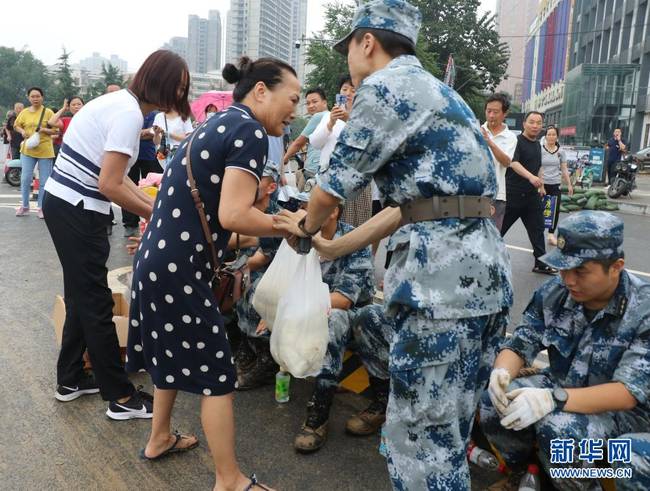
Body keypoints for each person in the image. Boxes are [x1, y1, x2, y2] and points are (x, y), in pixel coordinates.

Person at [273, 1, 512, 489]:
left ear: (367, 41)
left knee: (419, 446)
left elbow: (330, 185)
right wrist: (335, 249)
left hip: (439, 292)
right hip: (482, 282)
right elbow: (413, 206)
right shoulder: (443, 94)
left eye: (349, 49)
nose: (348, 63)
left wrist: (304, 226)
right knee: (448, 437)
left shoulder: (382, 88)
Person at [126, 56, 299, 491]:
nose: (295, 110)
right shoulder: (249, 130)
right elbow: (235, 213)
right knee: (217, 375)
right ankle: (230, 480)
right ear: (261, 91)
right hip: (179, 267)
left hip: (157, 260)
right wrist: (286, 224)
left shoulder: (214, 125)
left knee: (169, 354)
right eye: (292, 98)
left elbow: (216, 220)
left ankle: (159, 437)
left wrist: (259, 233)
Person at [41, 50, 190, 421]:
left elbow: (119, 178)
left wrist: (156, 211)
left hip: (66, 204)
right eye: (180, 87)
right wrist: (160, 216)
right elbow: (111, 184)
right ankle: (121, 396)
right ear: (163, 83)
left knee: (81, 293)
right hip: (78, 209)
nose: (182, 95)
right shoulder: (129, 114)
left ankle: (71, 378)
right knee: (95, 300)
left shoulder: (121, 104)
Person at [480, 211, 650, 491]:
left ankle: (579, 486)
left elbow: (627, 393)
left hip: (623, 414)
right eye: (563, 268)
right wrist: (501, 374)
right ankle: (523, 472)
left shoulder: (643, 309)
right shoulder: (557, 292)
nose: (569, 280)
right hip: (561, 386)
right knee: (493, 400)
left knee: (560, 431)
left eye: (581, 271)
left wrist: (552, 400)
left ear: (616, 266)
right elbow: (522, 341)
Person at [292, 203, 376, 453]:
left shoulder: (353, 242)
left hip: (351, 322)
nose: (308, 212)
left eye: (314, 207)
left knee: (336, 317)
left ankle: (319, 413)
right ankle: (262, 361)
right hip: (311, 311)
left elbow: (343, 299)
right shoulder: (303, 239)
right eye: (306, 206)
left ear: (334, 212)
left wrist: (294, 304)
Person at [234, 137, 286, 390]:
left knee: (253, 287)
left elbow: (266, 255)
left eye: (258, 180)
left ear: (271, 187)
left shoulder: (277, 213)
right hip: (253, 264)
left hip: (278, 272)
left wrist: (240, 270)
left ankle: (266, 359)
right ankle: (247, 345)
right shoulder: (242, 208)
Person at [311, 74, 373, 227]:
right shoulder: (329, 116)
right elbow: (315, 143)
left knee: (353, 228)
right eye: (344, 89)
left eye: (353, 90)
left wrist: (348, 120)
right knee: (326, 225)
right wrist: (331, 122)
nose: (348, 93)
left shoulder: (367, 117)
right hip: (328, 178)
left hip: (356, 182)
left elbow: (370, 145)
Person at [501, 111, 556, 275]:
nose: (535, 126)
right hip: (513, 195)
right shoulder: (516, 141)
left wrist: (541, 185)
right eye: (532, 122)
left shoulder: (537, 145)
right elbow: (513, 162)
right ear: (524, 123)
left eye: (538, 123)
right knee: (497, 231)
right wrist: (531, 177)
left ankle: (540, 262)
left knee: (538, 230)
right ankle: (483, 259)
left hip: (532, 197)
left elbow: (538, 167)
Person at [13, 87, 57, 218]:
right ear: (28, 98)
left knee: (44, 181)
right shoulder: (25, 112)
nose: (35, 98)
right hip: (28, 150)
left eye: (38, 96)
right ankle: (25, 206)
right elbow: (16, 125)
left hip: (45, 150)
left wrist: (43, 130)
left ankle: (41, 207)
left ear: (42, 97)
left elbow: (56, 130)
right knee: (25, 179)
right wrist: (22, 131)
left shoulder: (48, 112)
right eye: (33, 96)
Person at [121, 111, 163, 237]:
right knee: (128, 189)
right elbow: (124, 132)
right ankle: (130, 224)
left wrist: (134, 134)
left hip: (149, 156)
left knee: (153, 189)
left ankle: (154, 219)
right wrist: (142, 133)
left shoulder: (154, 114)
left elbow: (151, 134)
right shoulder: (129, 112)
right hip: (129, 155)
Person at [481, 93, 518, 231]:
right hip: (474, 193)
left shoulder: (510, 137)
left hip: (497, 195)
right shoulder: (476, 130)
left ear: (505, 114)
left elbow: (506, 162)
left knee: (492, 237)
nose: (491, 115)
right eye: (488, 111)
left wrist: (490, 143)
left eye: (495, 112)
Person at [282, 88, 329, 181]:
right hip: (327, 168)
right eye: (308, 103)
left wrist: (285, 159)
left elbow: (299, 142)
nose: (311, 106)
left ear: (324, 102)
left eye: (314, 102)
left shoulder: (318, 117)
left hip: (313, 169)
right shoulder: (332, 116)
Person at [540, 125, 573, 246]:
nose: (551, 136)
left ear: (557, 137)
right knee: (539, 210)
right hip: (542, 184)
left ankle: (550, 235)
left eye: (554, 134)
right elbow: (538, 167)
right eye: (549, 134)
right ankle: (538, 232)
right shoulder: (540, 150)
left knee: (554, 210)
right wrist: (540, 185)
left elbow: (564, 169)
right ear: (545, 136)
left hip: (555, 184)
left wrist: (569, 184)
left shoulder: (561, 152)